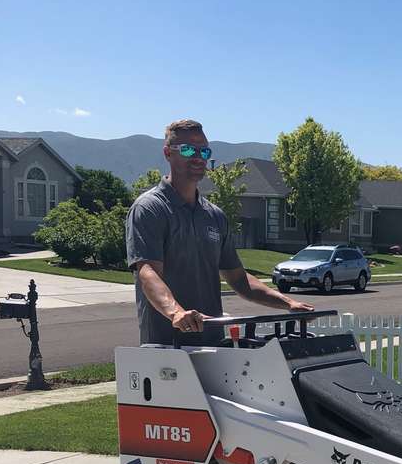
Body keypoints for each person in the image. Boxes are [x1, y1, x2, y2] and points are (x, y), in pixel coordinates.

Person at [125, 119, 314, 343]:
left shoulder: (214, 215)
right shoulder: (150, 208)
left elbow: (239, 279)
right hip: (167, 347)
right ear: (168, 153)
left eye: (204, 152)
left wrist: (287, 303)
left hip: (214, 343)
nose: (197, 157)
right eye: (187, 149)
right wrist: (176, 312)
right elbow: (147, 272)